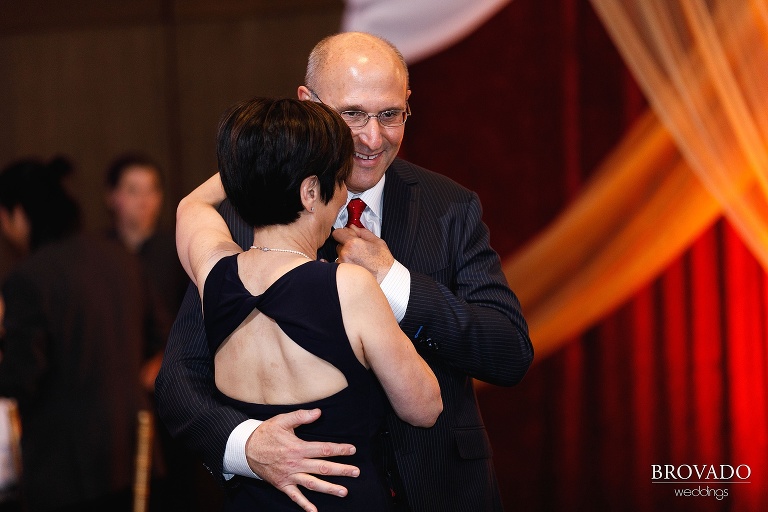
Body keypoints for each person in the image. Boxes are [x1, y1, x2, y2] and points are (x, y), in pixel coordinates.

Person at [156, 32, 534, 512]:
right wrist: (246, 446)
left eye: (390, 114)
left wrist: (396, 282)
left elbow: (509, 351)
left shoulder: (449, 206)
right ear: (308, 104)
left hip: (441, 492)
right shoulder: (242, 218)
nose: (373, 138)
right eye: (352, 115)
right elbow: (177, 379)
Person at [176, 97, 442, 510]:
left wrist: (261, 156)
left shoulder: (213, 273)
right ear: (311, 191)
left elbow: (191, 205)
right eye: (339, 181)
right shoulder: (349, 286)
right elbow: (424, 407)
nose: (342, 198)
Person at [0, 157, 169, 512]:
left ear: (18, 212)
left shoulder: (28, 277)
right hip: (132, 448)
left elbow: (21, 378)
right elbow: (161, 334)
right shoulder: (119, 258)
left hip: (66, 467)